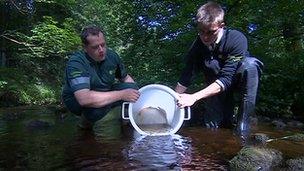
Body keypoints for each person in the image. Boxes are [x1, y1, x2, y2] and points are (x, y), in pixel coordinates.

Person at [175, 2, 263, 140]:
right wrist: (173, 100)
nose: (205, 37)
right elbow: (186, 75)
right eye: (201, 31)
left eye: (210, 32)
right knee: (213, 128)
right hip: (215, 87)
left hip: (236, 80)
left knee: (250, 65)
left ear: (222, 26)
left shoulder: (237, 39)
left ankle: (243, 125)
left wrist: (193, 97)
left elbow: (227, 78)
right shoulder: (197, 46)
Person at [62, 25, 140, 129]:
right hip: (76, 100)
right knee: (96, 110)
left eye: (103, 45)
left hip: (104, 91)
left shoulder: (112, 56)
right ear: (85, 48)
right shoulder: (76, 62)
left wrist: (136, 97)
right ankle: (85, 123)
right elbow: (84, 99)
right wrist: (122, 95)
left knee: (133, 89)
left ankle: (127, 122)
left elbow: (125, 78)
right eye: (95, 47)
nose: (101, 50)